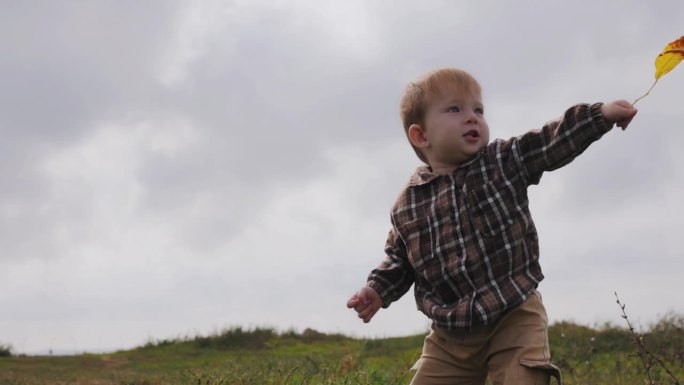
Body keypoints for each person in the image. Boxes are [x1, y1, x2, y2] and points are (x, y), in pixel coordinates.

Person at [346, 68, 637, 385]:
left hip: (514, 312)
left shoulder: (502, 161)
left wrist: (600, 116)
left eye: (478, 110)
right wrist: (376, 289)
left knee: (520, 376)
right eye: (455, 109)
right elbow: (400, 260)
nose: (472, 118)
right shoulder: (408, 204)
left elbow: (547, 143)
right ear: (421, 135)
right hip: (449, 334)